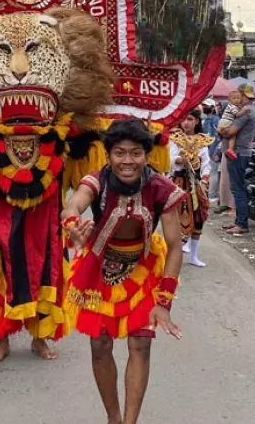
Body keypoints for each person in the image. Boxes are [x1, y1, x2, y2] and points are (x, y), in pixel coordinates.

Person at [62, 119, 184, 424]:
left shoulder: (162, 188)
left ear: (147, 155)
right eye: (119, 153)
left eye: (135, 153)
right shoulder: (97, 181)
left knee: (141, 344)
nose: (127, 161)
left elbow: (175, 247)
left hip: (144, 269)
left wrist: (163, 303)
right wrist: (72, 225)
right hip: (99, 268)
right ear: (108, 155)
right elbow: (73, 205)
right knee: (100, 344)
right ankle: (113, 418)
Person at [169, 109, 213, 267]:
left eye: (190, 119)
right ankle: (174, 254)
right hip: (178, 183)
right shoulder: (175, 138)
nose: (186, 123)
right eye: (184, 119)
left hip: (196, 184)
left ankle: (193, 256)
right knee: (176, 219)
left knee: (199, 218)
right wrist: (181, 160)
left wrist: (205, 180)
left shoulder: (202, 140)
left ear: (196, 121)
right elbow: (170, 160)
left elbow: (206, 163)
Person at [218, 84, 255, 235]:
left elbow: (230, 131)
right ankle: (238, 222)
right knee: (237, 188)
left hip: (238, 152)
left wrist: (221, 131)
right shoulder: (249, 110)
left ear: (243, 95)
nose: (237, 99)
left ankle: (241, 224)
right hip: (241, 152)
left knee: (238, 188)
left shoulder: (246, 112)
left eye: (239, 96)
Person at [217, 89, 246, 160]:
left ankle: (229, 149)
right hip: (226, 122)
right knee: (233, 135)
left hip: (224, 122)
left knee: (230, 135)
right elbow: (237, 114)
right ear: (229, 100)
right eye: (234, 98)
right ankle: (230, 149)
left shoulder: (235, 106)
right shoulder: (231, 106)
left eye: (238, 98)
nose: (236, 100)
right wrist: (244, 110)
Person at [201, 99, 221, 201]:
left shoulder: (215, 120)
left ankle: (212, 194)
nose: (205, 107)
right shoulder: (206, 120)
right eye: (204, 105)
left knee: (213, 172)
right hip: (207, 149)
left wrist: (212, 151)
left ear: (213, 108)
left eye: (207, 105)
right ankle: (211, 193)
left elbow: (215, 137)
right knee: (210, 171)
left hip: (213, 149)